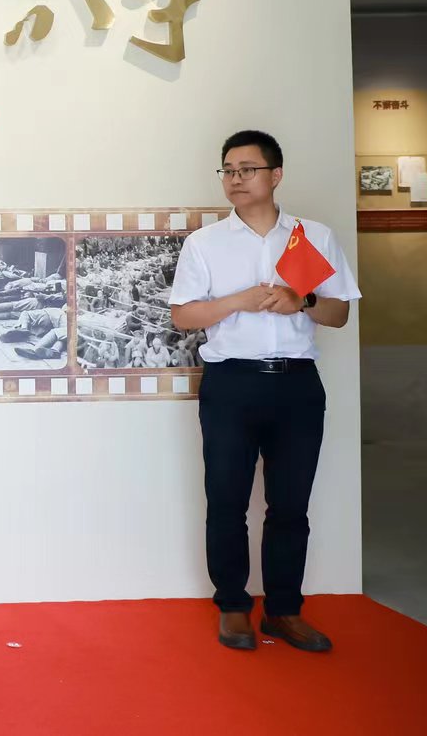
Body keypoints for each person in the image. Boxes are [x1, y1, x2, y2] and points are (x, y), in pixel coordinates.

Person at [170, 129, 359, 653]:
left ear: (275, 175)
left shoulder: (312, 236)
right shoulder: (205, 243)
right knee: (226, 500)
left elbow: (339, 314)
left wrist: (302, 301)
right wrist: (239, 300)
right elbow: (183, 315)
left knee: (291, 504)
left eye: (247, 169)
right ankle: (233, 607)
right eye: (228, 170)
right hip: (231, 383)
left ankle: (283, 611)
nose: (236, 179)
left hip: (297, 385)